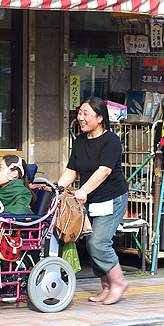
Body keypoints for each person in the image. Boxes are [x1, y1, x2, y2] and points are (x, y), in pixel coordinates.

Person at [57, 97, 129, 305]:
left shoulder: (111, 141)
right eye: (79, 113)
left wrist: (83, 191)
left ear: (99, 118)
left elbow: (104, 171)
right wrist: (57, 189)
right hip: (90, 200)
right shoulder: (80, 140)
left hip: (112, 199)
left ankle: (119, 282)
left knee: (99, 243)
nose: (80, 118)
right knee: (91, 244)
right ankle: (106, 287)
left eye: (85, 114)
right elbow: (72, 169)